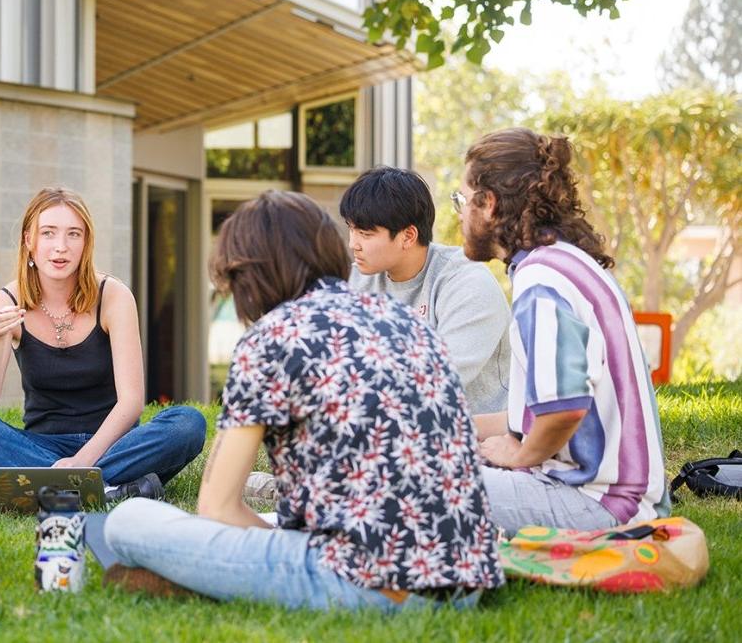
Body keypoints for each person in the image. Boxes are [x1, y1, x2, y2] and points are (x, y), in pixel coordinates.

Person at [103, 190, 504, 609]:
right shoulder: (408, 322)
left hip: (372, 587)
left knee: (128, 520)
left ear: (249, 273)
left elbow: (218, 506)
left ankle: (213, 577)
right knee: (265, 526)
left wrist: (266, 550)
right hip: (464, 580)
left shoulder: (270, 339)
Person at [460, 128, 668, 531]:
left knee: (413, 486)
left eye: (461, 201)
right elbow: (537, 411)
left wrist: (519, 457)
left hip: (602, 505)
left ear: (488, 205)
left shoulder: (541, 281)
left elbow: (565, 408)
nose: (460, 214)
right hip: (614, 494)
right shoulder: (560, 262)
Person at [0, 187, 205, 494]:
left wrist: (82, 461)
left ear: (86, 243)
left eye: (73, 235)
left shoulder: (113, 297)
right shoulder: (7, 301)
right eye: (49, 233)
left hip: (113, 443)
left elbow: (132, 402)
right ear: (30, 241)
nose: (61, 247)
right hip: (40, 445)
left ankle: (53, 485)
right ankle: (106, 487)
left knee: (188, 424)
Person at [341, 166, 511, 414]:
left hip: (480, 436)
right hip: (392, 428)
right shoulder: (355, 281)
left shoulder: (467, 283)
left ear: (408, 236)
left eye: (365, 234)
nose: (352, 244)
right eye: (351, 229)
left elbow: (436, 382)